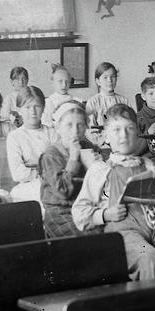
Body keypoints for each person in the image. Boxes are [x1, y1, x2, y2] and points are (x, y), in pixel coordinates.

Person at [72, 104, 155, 280]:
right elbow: (79, 214)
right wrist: (106, 214)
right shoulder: (101, 169)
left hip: (153, 228)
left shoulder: (147, 165)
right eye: (116, 130)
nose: (124, 135)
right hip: (121, 234)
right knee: (148, 257)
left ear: (137, 133)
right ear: (106, 136)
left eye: (130, 128)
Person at [39, 100, 101, 237]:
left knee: (110, 234)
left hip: (86, 207)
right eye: (69, 125)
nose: (75, 131)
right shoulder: (51, 155)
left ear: (86, 127)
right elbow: (62, 192)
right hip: (61, 211)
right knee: (87, 240)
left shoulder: (89, 147)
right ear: (58, 128)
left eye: (80, 125)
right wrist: (73, 159)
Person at [5, 86, 57, 203]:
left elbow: (59, 163)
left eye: (37, 106)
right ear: (19, 110)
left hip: (53, 181)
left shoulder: (52, 133)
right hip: (27, 185)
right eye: (27, 107)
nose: (32, 112)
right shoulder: (15, 137)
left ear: (43, 108)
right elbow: (18, 173)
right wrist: (41, 173)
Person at [85, 62, 131, 130]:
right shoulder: (93, 102)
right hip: (101, 139)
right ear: (98, 81)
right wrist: (105, 140)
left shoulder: (124, 101)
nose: (110, 80)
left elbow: (131, 124)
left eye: (112, 76)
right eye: (105, 77)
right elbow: (90, 129)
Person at [41, 64, 75, 128]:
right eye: (60, 81)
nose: (64, 85)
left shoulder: (75, 100)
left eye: (67, 81)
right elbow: (45, 123)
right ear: (53, 83)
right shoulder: (49, 102)